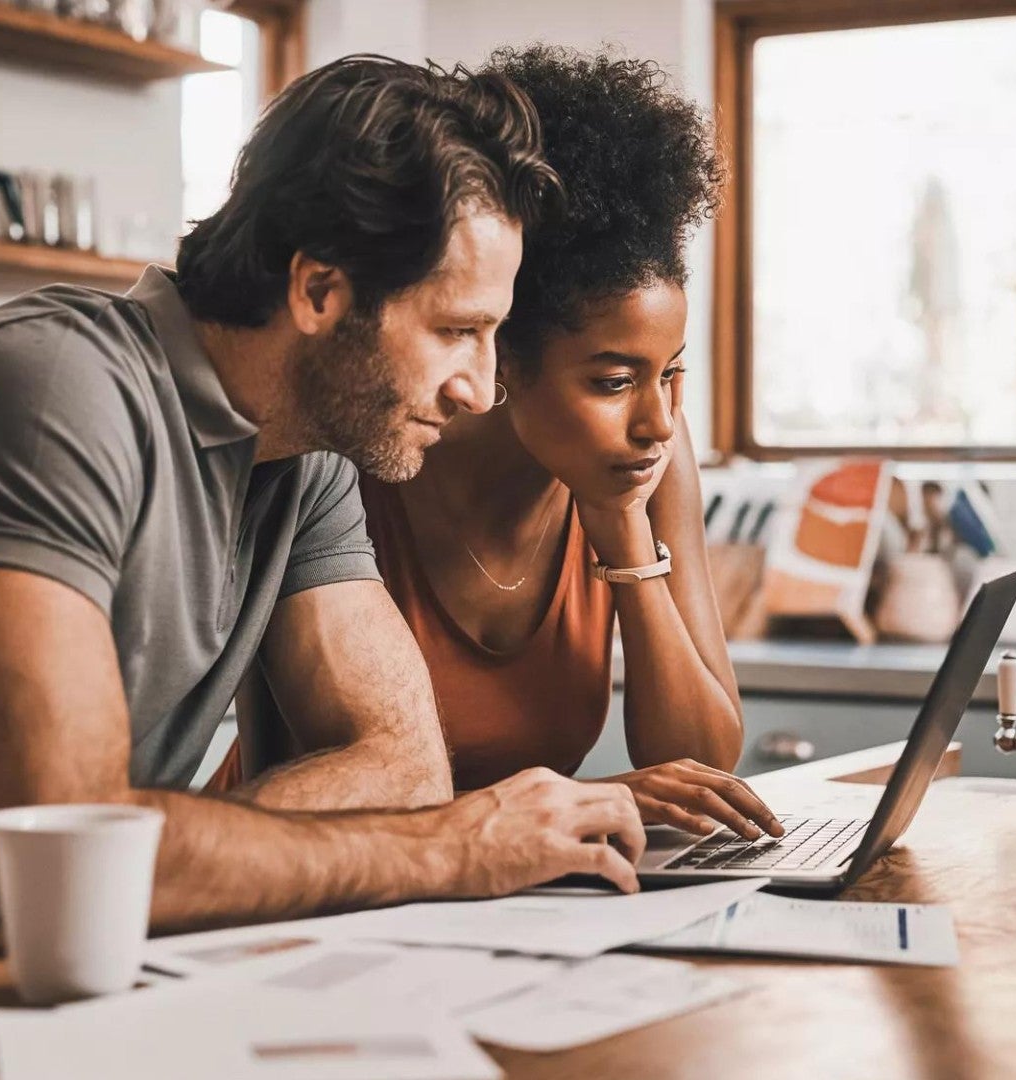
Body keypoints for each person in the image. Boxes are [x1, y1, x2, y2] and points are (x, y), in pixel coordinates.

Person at [0, 55, 646, 1020]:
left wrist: (152, 866)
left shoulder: (309, 456)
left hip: (58, 969)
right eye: (454, 330)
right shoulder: (47, 395)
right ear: (320, 292)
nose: (475, 390)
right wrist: (446, 850)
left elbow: (400, 764)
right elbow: (74, 853)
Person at [215, 47, 782, 842]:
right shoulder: (367, 447)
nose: (657, 421)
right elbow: (333, 770)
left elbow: (704, 762)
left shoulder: (643, 462)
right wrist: (589, 801)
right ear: (502, 354)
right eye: (614, 382)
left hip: (505, 886)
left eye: (673, 375)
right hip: (310, 865)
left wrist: (621, 533)